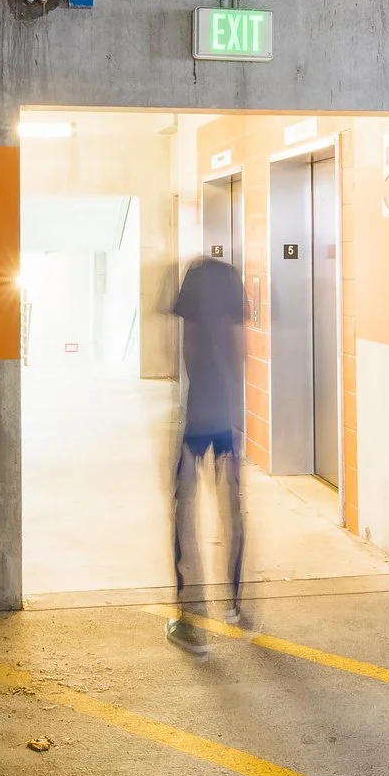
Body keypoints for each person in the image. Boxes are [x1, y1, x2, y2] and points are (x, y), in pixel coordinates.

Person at [168, 253, 249, 655]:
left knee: (185, 512)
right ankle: (234, 607)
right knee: (232, 509)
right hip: (228, 417)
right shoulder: (231, 279)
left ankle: (191, 622)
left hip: (199, 417)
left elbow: (191, 349)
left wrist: (190, 411)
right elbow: (239, 350)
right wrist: (235, 414)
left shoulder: (195, 278)